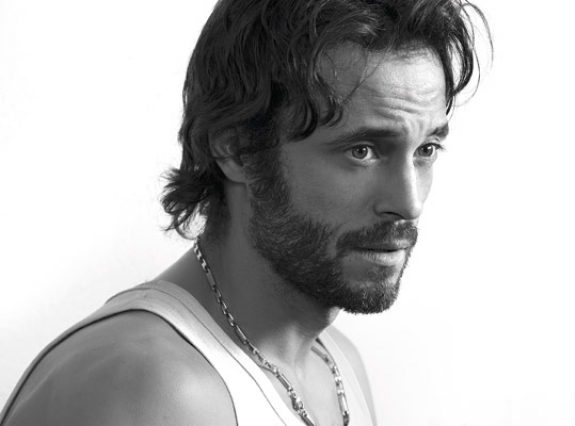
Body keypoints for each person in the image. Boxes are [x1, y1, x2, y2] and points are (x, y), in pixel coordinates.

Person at [0, 0, 490, 425]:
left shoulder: (338, 365)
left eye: (425, 150)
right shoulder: (150, 388)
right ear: (237, 151)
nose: (408, 202)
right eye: (362, 151)